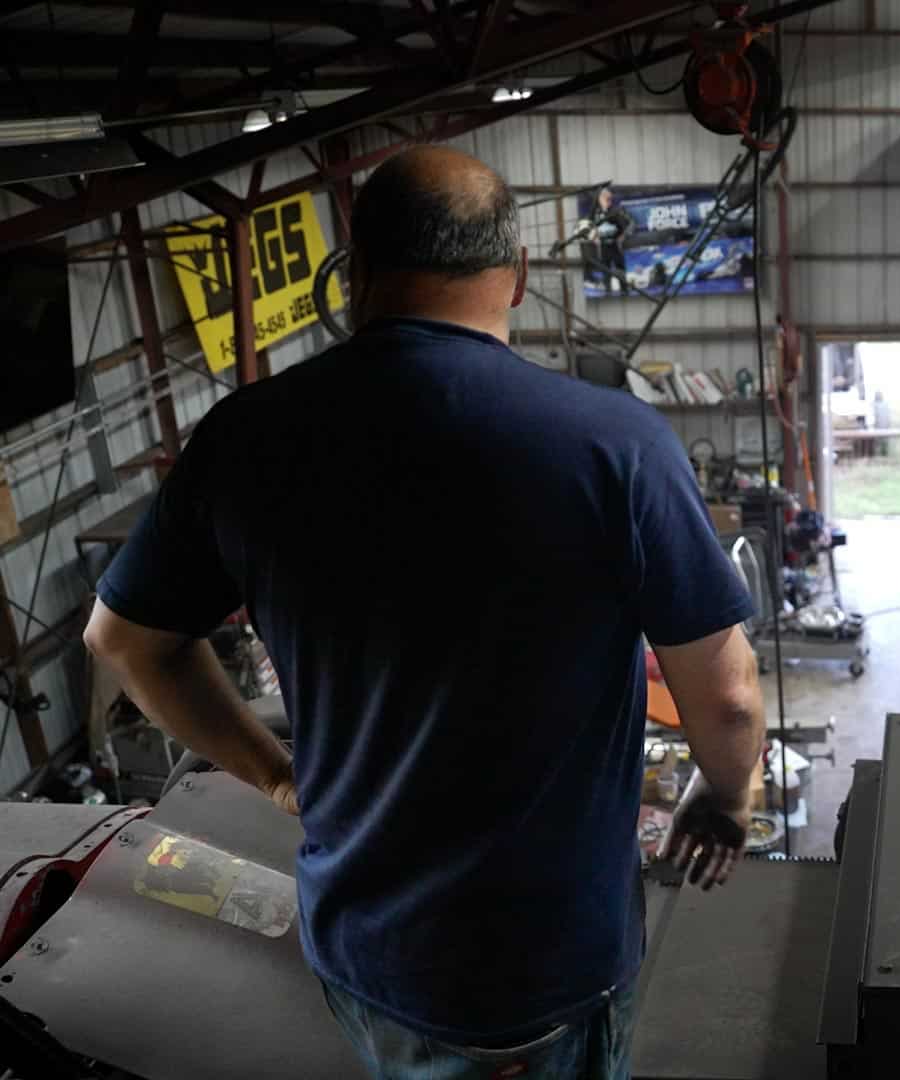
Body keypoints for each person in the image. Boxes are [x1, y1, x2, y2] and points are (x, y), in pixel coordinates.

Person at [83, 146, 765, 1080]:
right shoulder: (619, 446)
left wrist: (279, 777)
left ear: (355, 270)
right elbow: (724, 701)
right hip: (547, 964)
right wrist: (723, 796)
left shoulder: (245, 437)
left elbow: (122, 642)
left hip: (368, 953)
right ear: (519, 277)